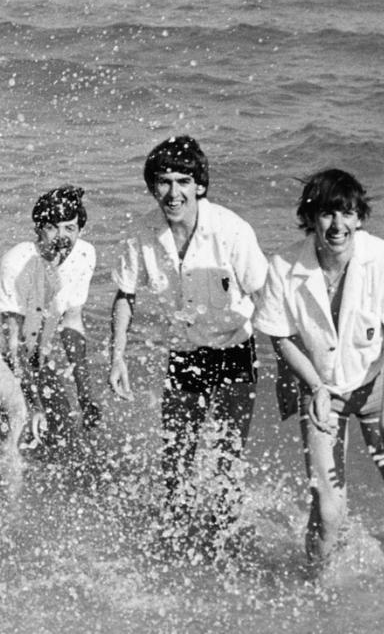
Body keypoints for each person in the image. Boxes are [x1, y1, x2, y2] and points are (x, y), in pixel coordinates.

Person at [253, 168, 384, 573]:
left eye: (347, 213)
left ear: (359, 218)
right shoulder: (283, 266)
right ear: (311, 218)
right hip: (322, 389)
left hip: (379, 386)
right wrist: (314, 385)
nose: (337, 225)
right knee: (329, 514)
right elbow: (281, 337)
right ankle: (318, 579)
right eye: (327, 214)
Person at [108, 135, 268, 526]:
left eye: (183, 181)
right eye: (163, 181)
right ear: (152, 187)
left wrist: (288, 365)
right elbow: (125, 295)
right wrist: (117, 357)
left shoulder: (231, 230)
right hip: (185, 352)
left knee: (227, 460)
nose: (173, 192)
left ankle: (225, 534)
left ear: (199, 185)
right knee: (175, 458)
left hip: (236, 349)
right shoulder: (141, 234)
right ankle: (175, 535)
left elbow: (266, 297)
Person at [0, 186, 100, 460]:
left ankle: (55, 494)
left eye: (70, 228)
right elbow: (15, 344)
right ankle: (9, 501)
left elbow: (72, 323)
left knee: (64, 427)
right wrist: (34, 402)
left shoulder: (85, 256)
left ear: (80, 230)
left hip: (32, 345)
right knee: (21, 416)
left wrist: (85, 392)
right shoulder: (17, 262)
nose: (62, 238)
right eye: (52, 228)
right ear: (38, 229)